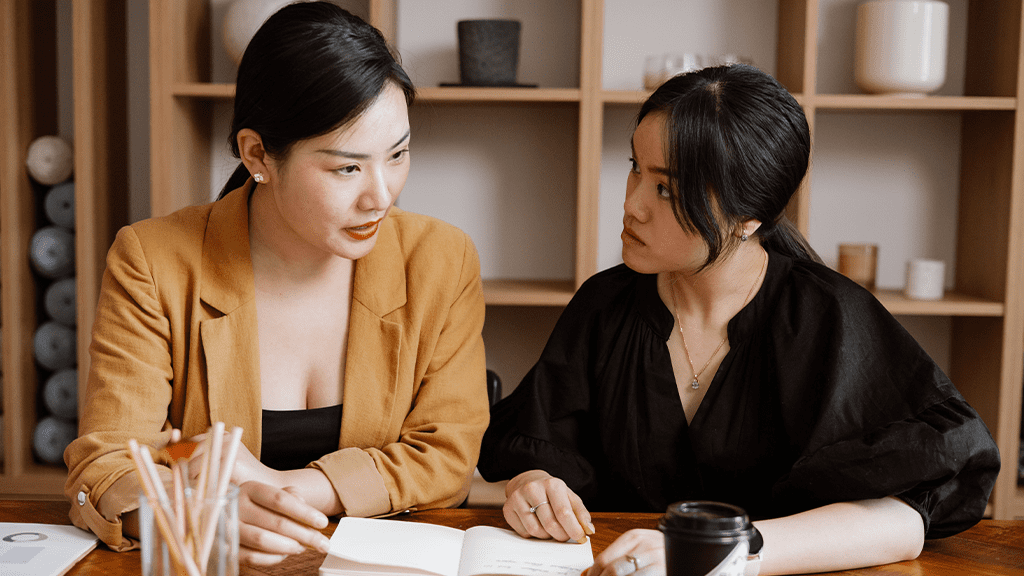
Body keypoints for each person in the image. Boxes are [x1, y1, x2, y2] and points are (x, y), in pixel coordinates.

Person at [477, 64, 1000, 576]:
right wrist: (531, 483)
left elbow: (905, 520)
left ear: (751, 216)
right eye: (635, 167)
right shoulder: (603, 306)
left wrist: (720, 552)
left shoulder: (828, 318)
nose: (632, 204)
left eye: (666, 189)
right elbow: (540, 446)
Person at [64, 2, 489, 565]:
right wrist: (198, 514)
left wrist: (270, 485)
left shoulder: (440, 259)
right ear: (257, 153)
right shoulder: (153, 259)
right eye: (347, 168)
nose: (381, 196)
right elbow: (107, 462)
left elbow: (447, 455)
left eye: (398, 154)